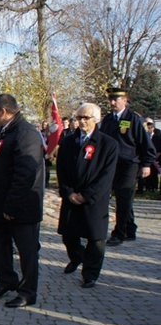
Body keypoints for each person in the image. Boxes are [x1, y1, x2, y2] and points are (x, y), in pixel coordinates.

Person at [0, 94, 44, 308]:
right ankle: (7, 281)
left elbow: (25, 174)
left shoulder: (26, 134)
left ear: (4, 111)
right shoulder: (5, 132)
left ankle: (28, 292)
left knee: (27, 252)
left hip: (20, 208)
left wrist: (11, 206)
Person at [56, 103, 118, 289]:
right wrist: (68, 192)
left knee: (96, 238)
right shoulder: (68, 141)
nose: (82, 121)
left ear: (96, 119)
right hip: (72, 196)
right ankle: (77, 257)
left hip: (93, 199)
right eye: (79, 118)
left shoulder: (108, 144)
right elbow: (61, 170)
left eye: (86, 118)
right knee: (68, 235)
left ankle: (90, 274)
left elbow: (106, 176)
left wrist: (86, 195)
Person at [99, 87, 155, 246]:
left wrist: (146, 164)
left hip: (129, 164)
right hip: (112, 164)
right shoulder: (109, 120)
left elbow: (145, 143)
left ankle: (119, 233)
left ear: (125, 100)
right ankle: (130, 228)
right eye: (111, 99)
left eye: (116, 99)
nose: (112, 102)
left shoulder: (134, 119)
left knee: (124, 196)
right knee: (123, 198)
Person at [138, 118, 160, 193]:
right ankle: (144, 187)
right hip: (144, 157)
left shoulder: (158, 135)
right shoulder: (142, 134)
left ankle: (153, 187)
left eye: (149, 125)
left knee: (153, 174)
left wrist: (155, 157)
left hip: (155, 158)